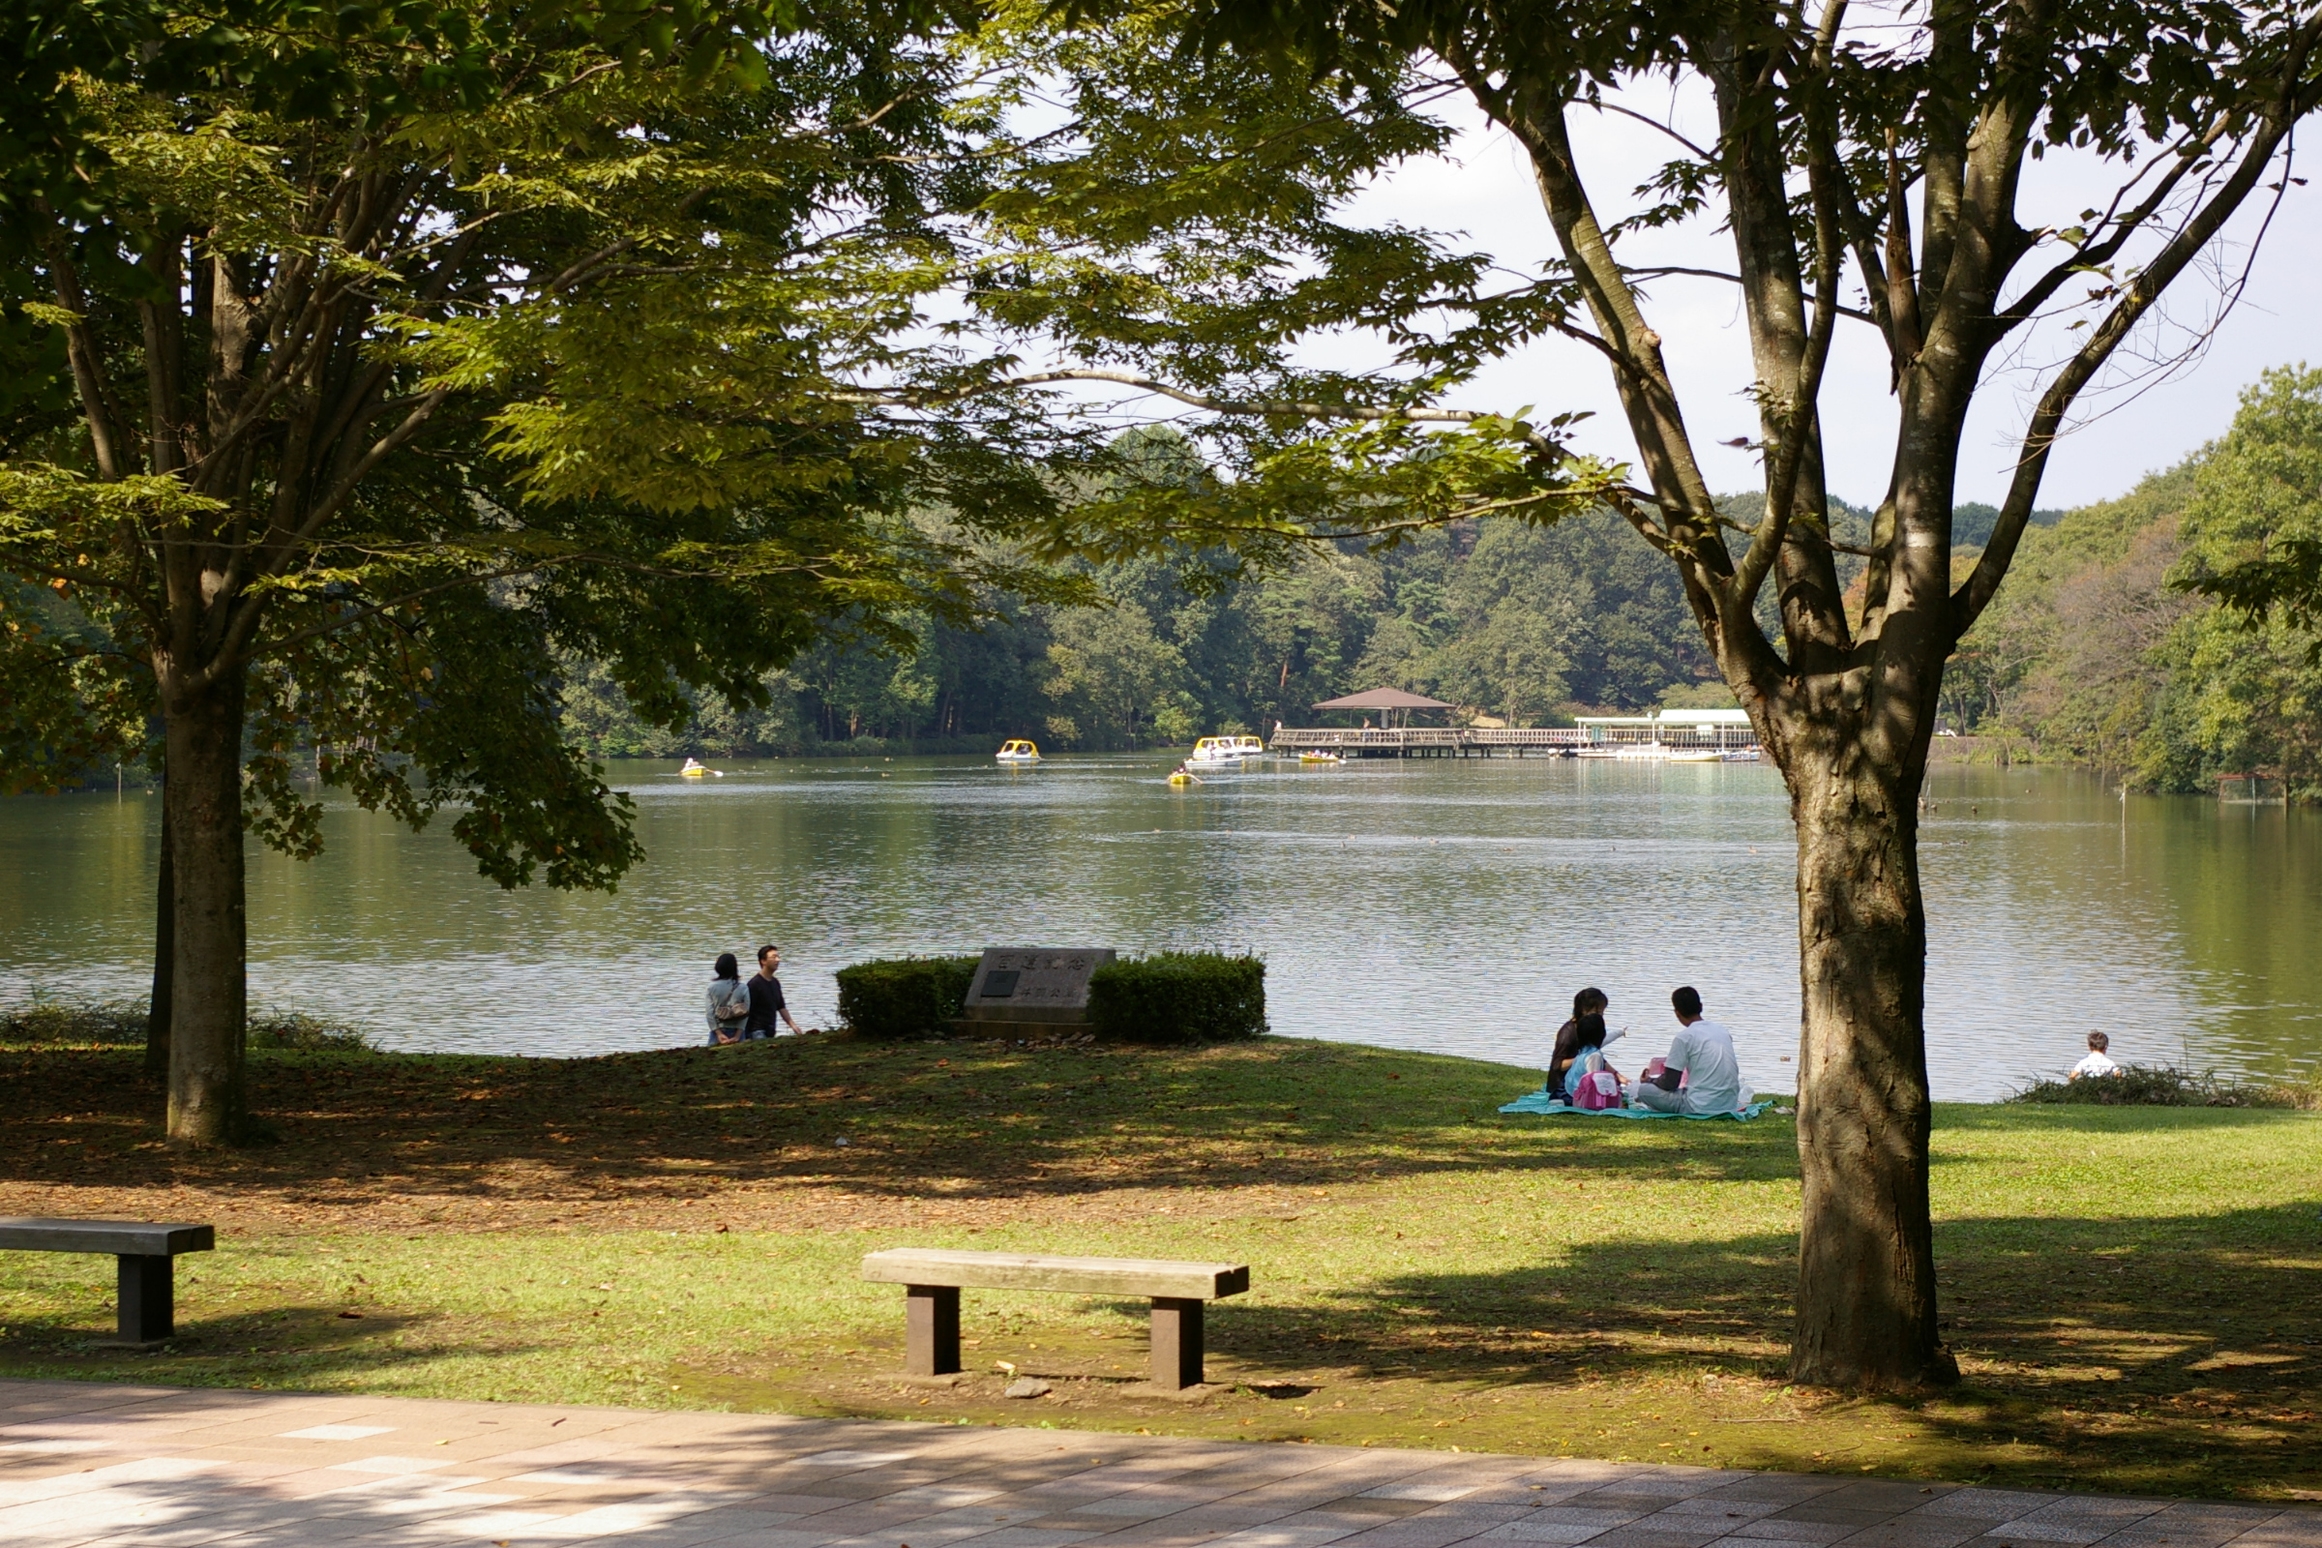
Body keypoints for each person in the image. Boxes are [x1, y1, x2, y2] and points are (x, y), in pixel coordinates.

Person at [1633, 986, 1748, 1115]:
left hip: (1699, 1106)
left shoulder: (1684, 1037)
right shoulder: (1722, 1031)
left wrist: (1649, 1081)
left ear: (1677, 1013)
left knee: (1643, 1090)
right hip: (1729, 1104)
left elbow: (1670, 1083)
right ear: (1701, 1006)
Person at [1547, 988, 1611, 1101]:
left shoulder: (1590, 1029)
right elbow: (1557, 1065)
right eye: (1597, 1012)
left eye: (1602, 1013)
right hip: (1563, 1086)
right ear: (1583, 1010)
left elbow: (1595, 1056)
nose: (1600, 1016)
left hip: (1580, 1080)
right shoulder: (1567, 1033)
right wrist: (1582, 1059)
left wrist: (1618, 1075)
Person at [745, 943, 804, 1039]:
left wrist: (793, 1026)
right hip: (756, 1031)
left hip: (770, 1030)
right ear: (763, 961)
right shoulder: (754, 984)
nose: (778, 960)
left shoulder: (775, 982)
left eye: (778, 957)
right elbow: (747, 1010)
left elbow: (781, 1007)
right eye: (773, 957)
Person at [706, 953, 751, 1045]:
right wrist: (738, 1035)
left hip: (718, 1031)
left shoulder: (711, 987)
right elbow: (746, 1013)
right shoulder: (743, 988)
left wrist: (718, 1033)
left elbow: (710, 1013)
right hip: (737, 1031)